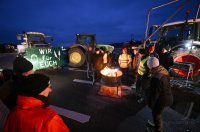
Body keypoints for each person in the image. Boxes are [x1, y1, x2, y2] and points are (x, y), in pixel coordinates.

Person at [4, 73, 70, 132]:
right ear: (38, 90)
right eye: (49, 87)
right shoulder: (50, 120)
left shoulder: (14, 111)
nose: (51, 90)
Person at [146, 57, 173, 132]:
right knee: (157, 113)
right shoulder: (162, 70)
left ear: (150, 66)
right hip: (167, 95)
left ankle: (159, 130)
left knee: (156, 114)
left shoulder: (156, 78)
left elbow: (155, 93)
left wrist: (151, 104)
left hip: (162, 99)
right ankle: (156, 125)